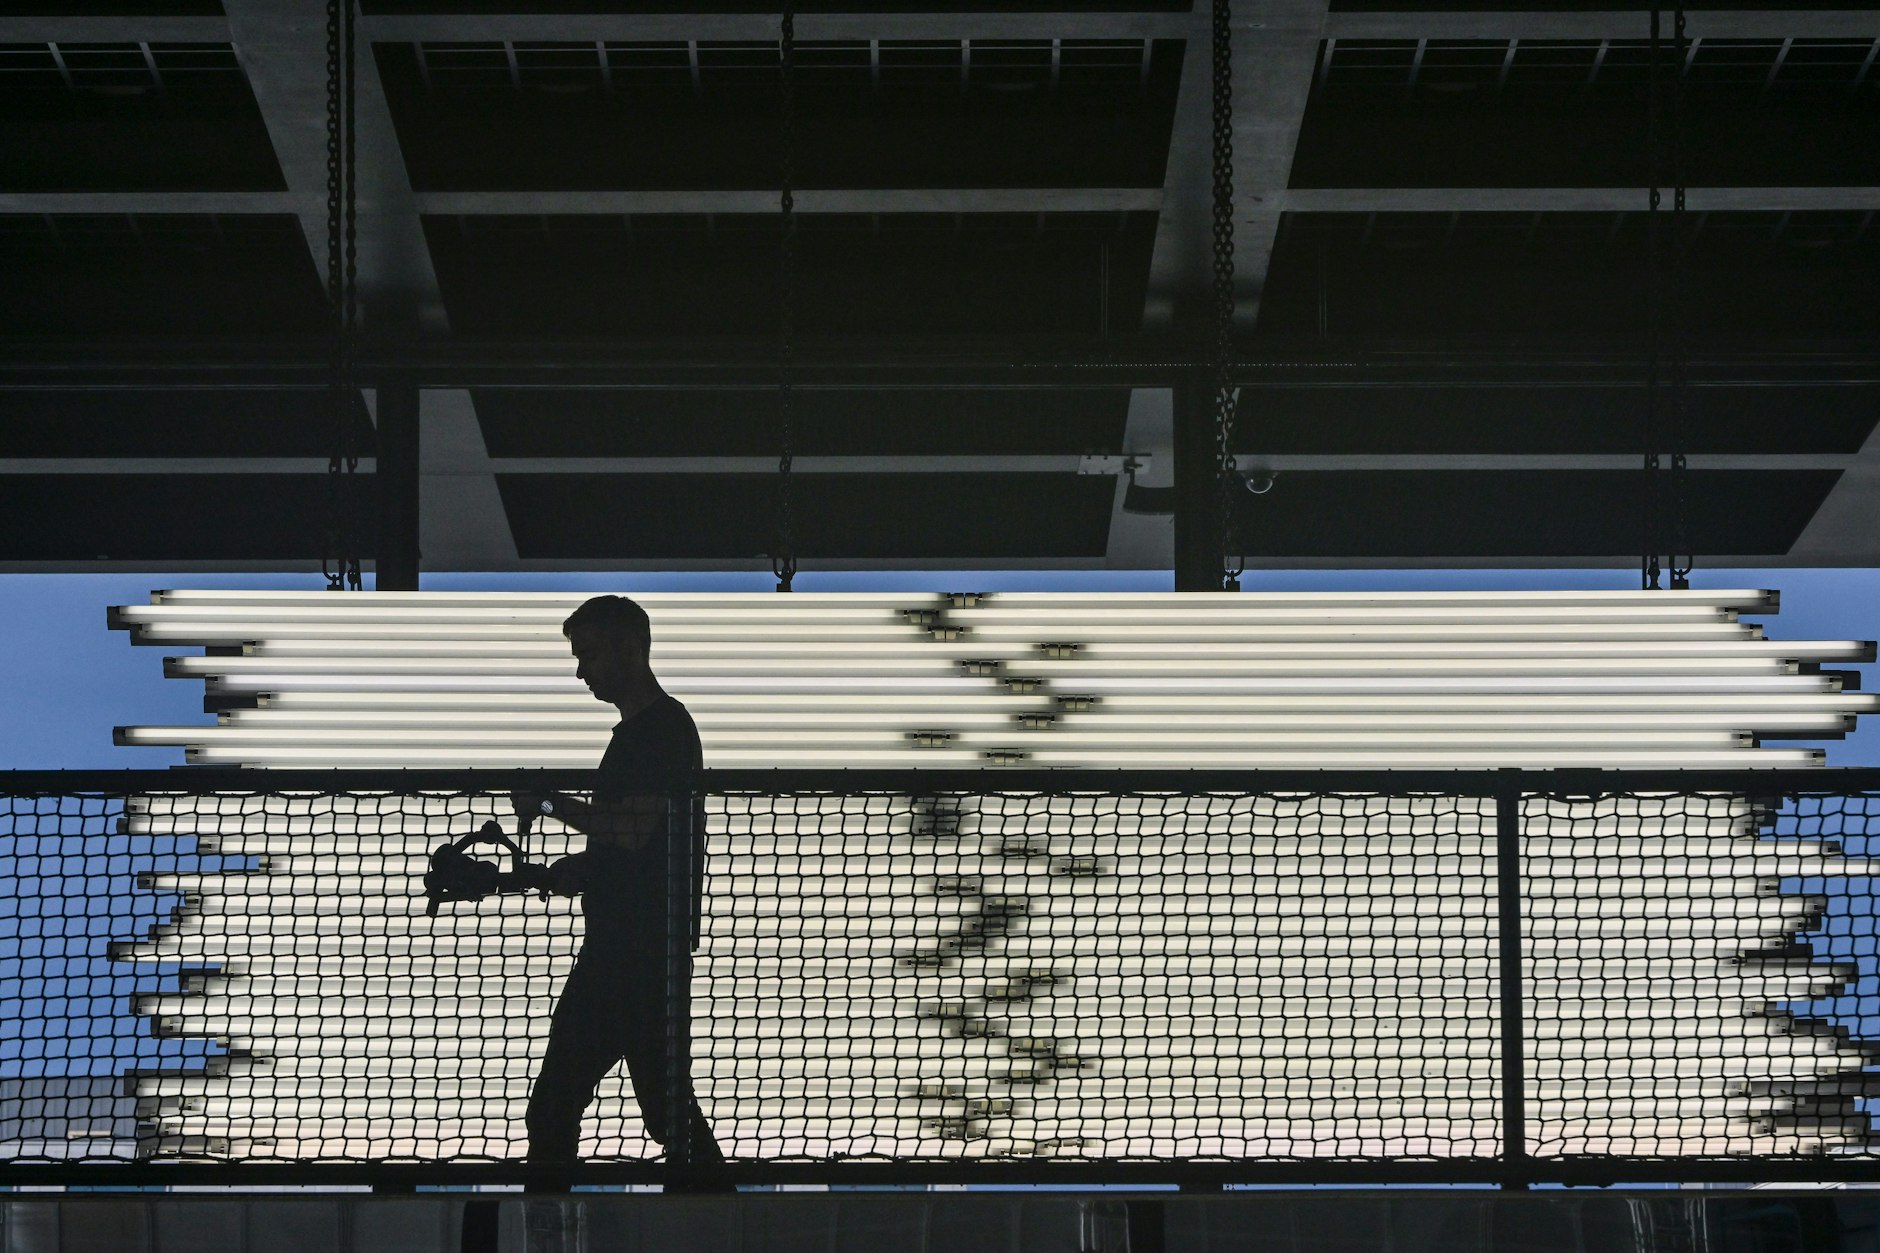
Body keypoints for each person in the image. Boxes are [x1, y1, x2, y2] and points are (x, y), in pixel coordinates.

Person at [511, 594, 724, 1185]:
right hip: (640, 951)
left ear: (629, 647)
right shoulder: (651, 732)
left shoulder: (658, 731)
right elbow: (635, 844)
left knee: (561, 1107)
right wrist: (575, 870)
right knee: (664, 1112)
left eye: (590, 653)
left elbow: (632, 830)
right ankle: (725, 1214)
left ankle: (551, 1223)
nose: (581, 670)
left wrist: (550, 801)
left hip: (630, 955)